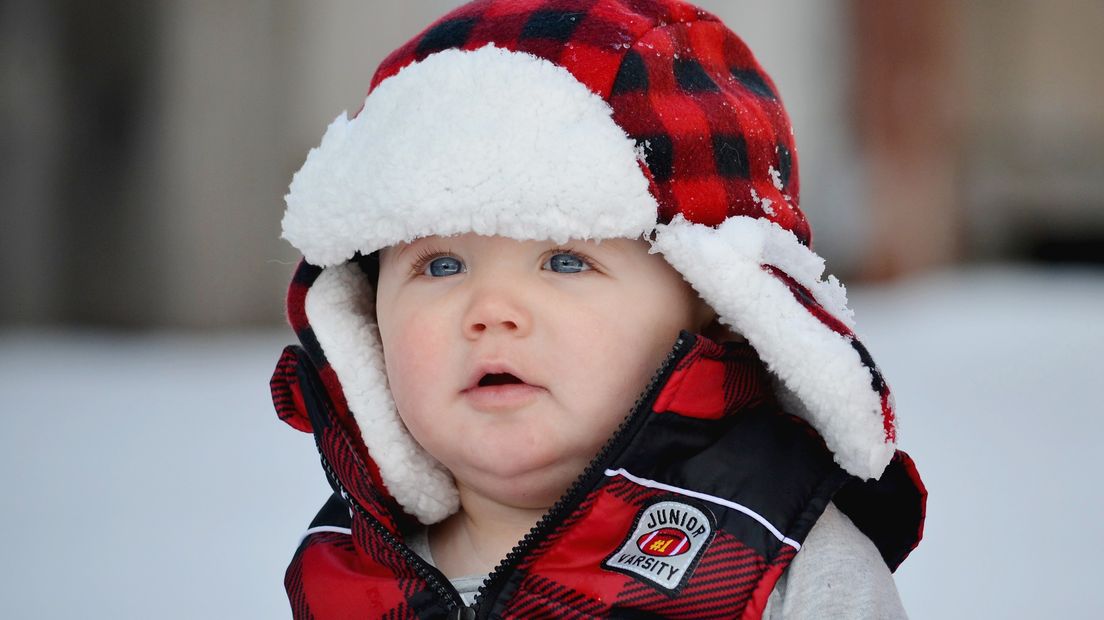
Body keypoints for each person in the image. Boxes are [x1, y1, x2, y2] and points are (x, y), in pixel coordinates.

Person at [270, 1, 927, 617]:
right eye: (441, 266)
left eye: (565, 262)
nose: (491, 311)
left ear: (711, 302)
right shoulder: (347, 566)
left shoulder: (778, 563)